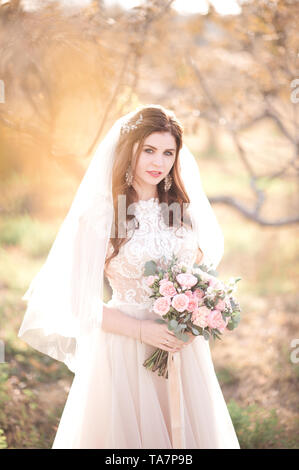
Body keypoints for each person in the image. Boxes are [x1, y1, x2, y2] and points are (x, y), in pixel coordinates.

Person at [18, 104, 240, 449]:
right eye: (149, 150)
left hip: (183, 350)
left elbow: (198, 274)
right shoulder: (100, 214)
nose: (159, 162)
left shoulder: (183, 210)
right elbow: (77, 302)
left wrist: (199, 314)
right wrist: (142, 330)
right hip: (124, 351)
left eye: (168, 152)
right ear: (129, 150)